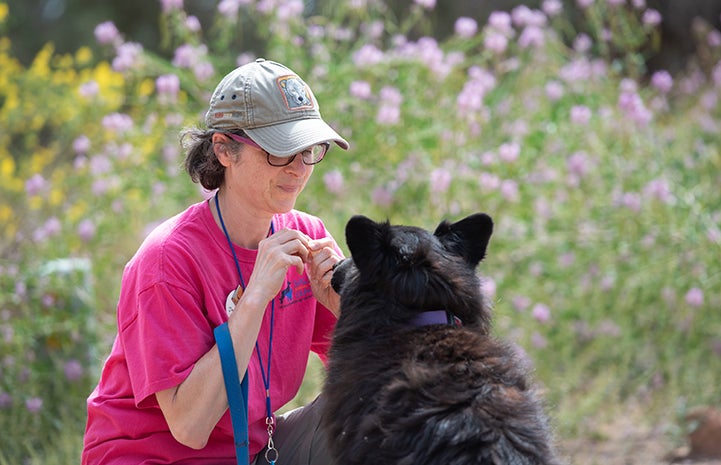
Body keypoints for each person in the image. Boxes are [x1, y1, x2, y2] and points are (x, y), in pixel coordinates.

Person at [82, 58, 349, 465]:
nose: (299, 167)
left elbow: (368, 376)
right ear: (224, 149)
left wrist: (346, 310)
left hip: (255, 451)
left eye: (309, 149)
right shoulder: (166, 261)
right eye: (280, 150)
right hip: (152, 457)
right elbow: (190, 427)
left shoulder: (308, 237)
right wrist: (255, 297)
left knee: (377, 417)